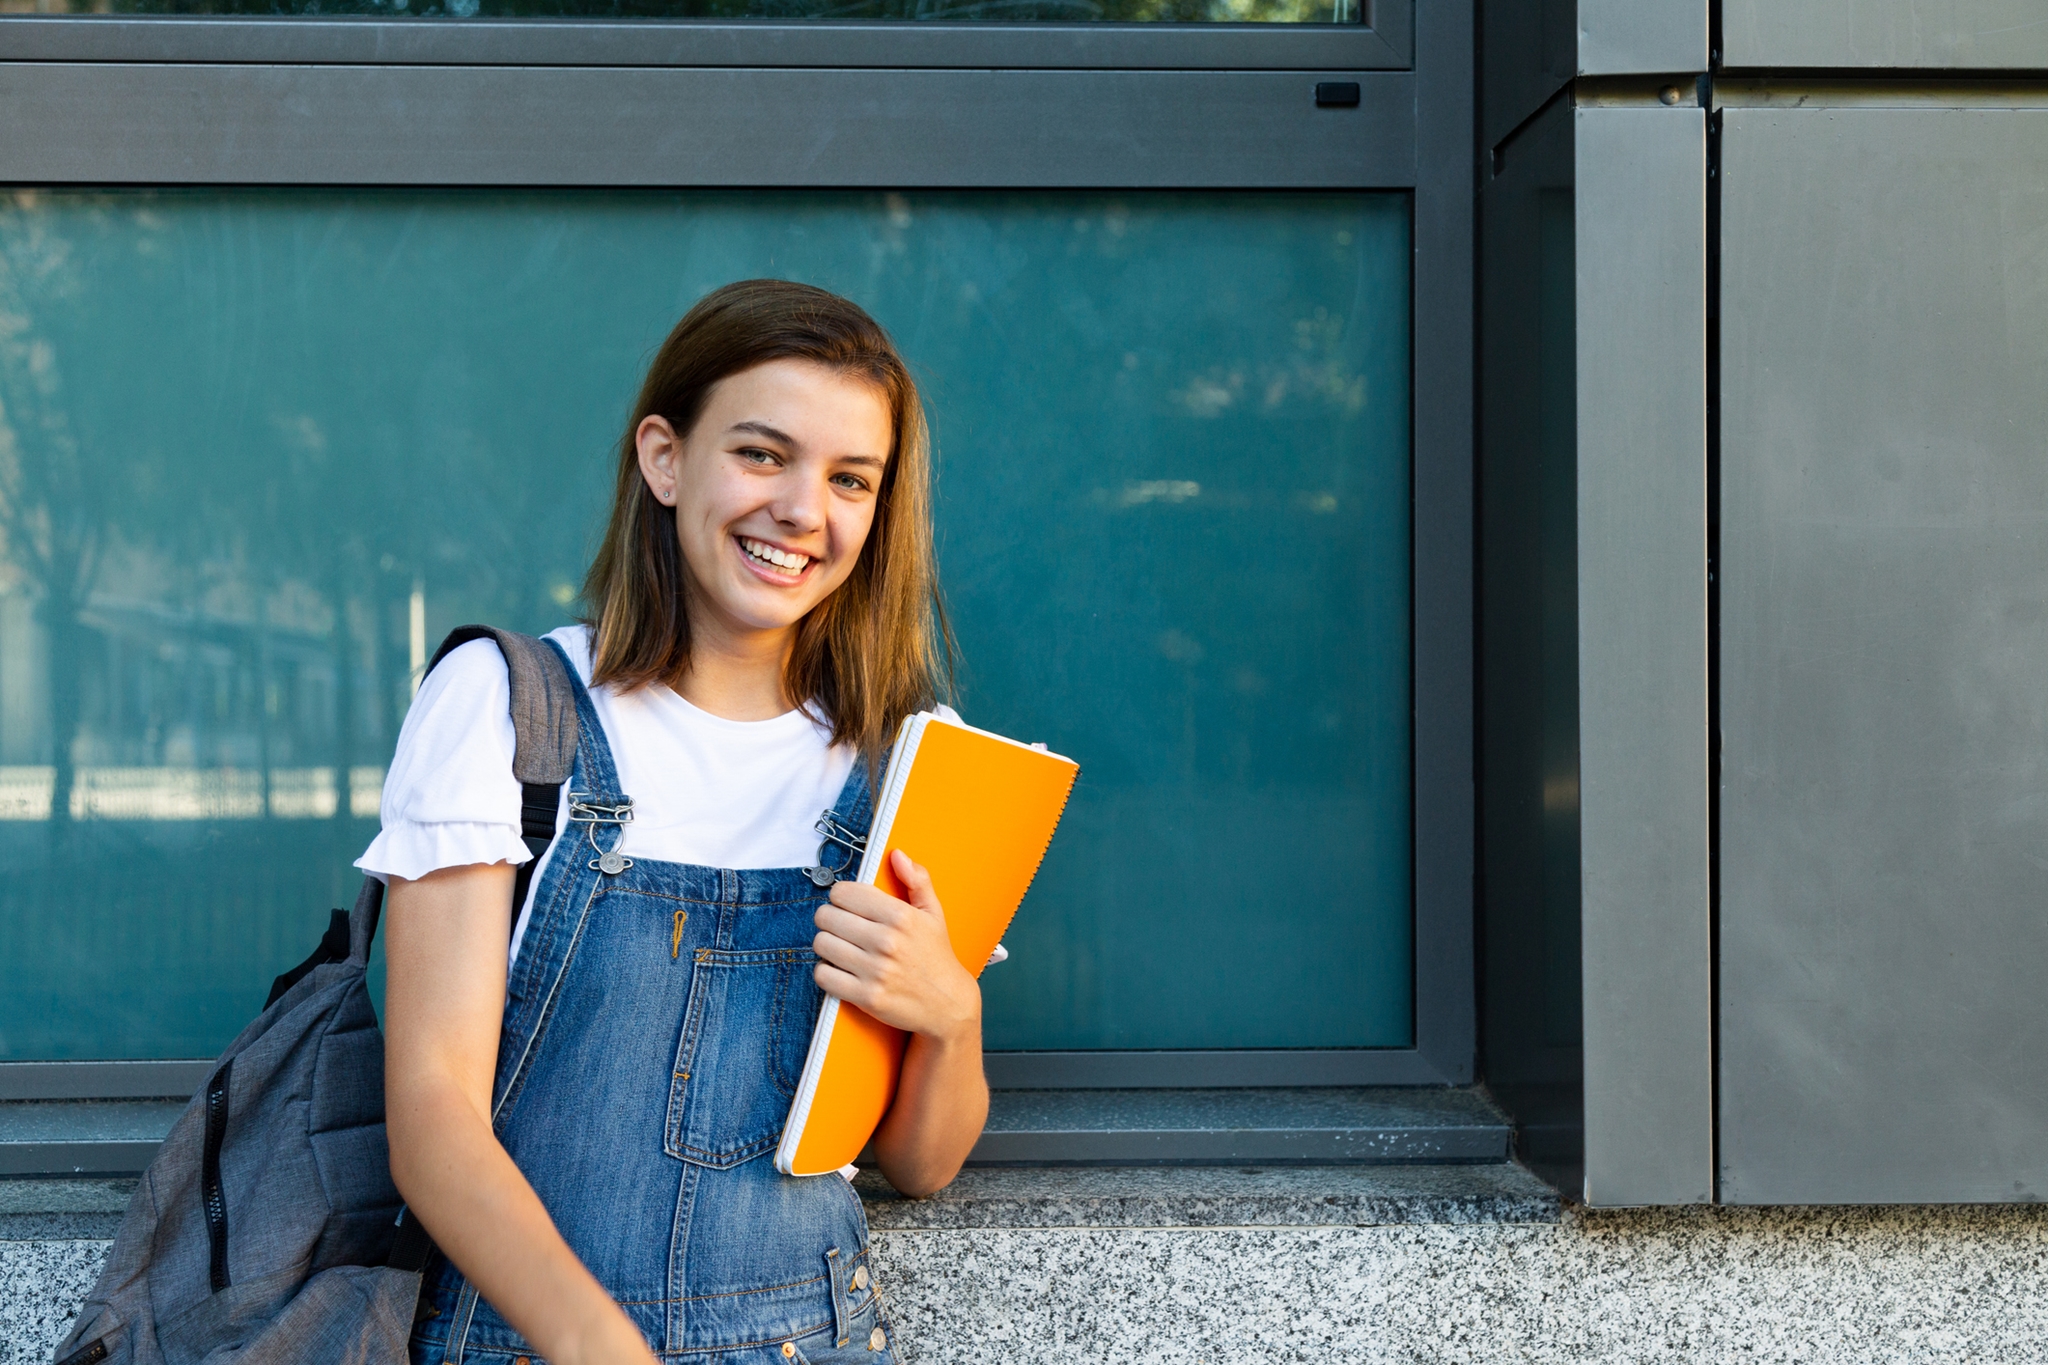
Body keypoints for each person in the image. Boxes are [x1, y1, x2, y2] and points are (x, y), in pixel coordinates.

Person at [360, 279, 987, 1365]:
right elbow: (430, 1117)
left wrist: (950, 1015)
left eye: (851, 478)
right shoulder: (506, 707)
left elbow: (921, 1164)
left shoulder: (909, 761)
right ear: (664, 458)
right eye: (762, 454)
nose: (804, 510)